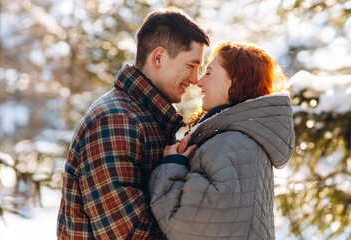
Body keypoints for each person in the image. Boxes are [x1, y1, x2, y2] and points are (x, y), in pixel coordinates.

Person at [57, 8, 209, 239]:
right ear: (158, 57)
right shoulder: (116, 120)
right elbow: (125, 232)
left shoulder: (145, 117)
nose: (195, 79)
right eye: (191, 65)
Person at [149, 41, 295, 239]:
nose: (199, 82)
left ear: (236, 80)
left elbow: (188, 225)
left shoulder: (232, 143)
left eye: (208, 73)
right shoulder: (238, 138)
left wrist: (172, 166)